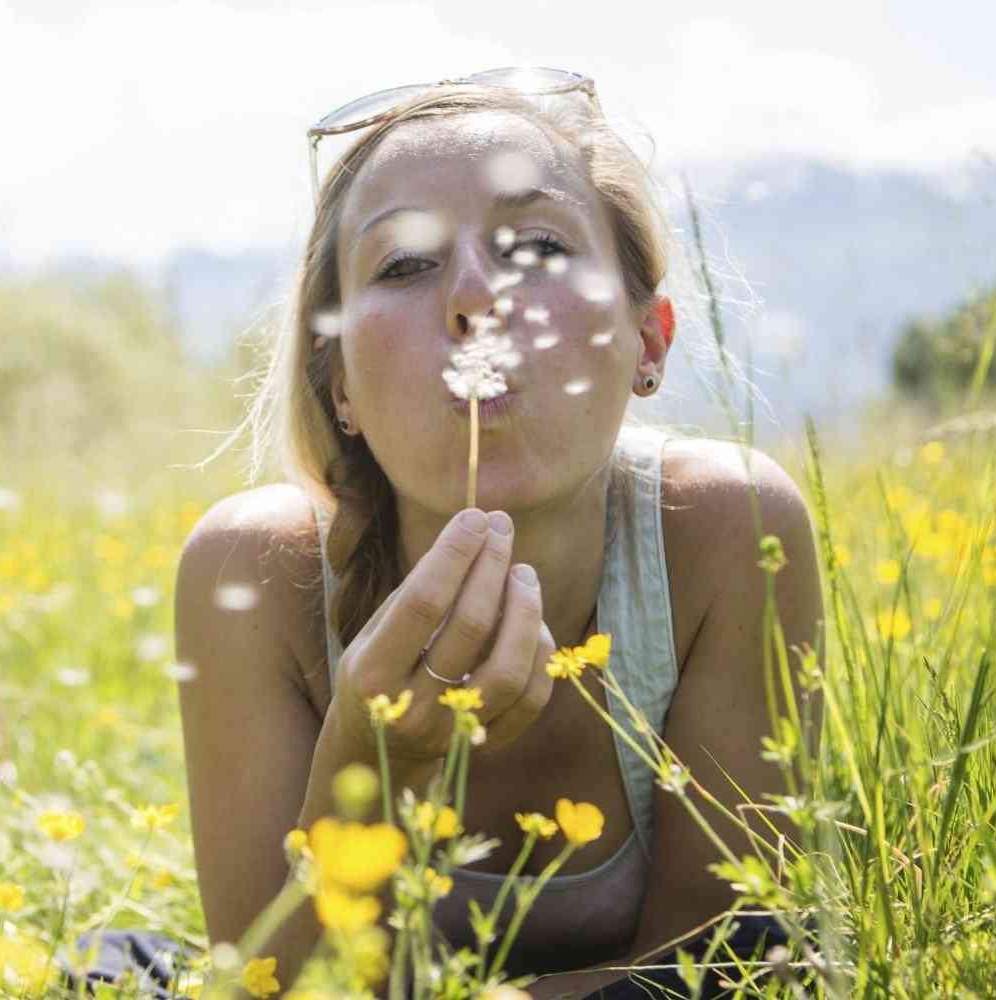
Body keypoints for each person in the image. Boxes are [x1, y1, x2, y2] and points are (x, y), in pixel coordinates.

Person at [169, 69, 825, 999]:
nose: (476, 297)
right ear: (340, 384)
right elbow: (273, 988)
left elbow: (716, 972)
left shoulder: (727, 530)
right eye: (404, 264)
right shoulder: (255, 575)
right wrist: (370, 755)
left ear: (649, 339)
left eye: (538, 247)